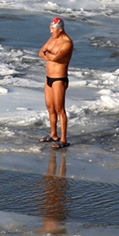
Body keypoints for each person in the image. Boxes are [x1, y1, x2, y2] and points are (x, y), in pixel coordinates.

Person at [38, 17, 74, 149]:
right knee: (50, 108)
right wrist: (49, 54)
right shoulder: (52, 39)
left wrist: (49, 54)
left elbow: (56, 58)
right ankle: (53, 134)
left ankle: (63, 139)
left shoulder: (67, 43)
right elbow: (40, 53)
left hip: (59, 79)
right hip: (48, 78)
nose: (51, 32)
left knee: (60, 109)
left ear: (60, 29)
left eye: (53, 29)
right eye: (50, 29)